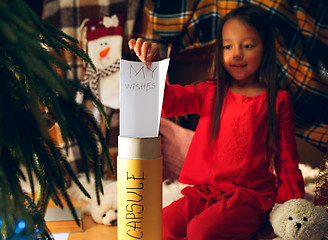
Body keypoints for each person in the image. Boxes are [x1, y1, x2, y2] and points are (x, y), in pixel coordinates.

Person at [128, 5, 304, 240]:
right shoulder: (211, 91)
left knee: (201, 233)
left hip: (250, 195)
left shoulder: (276, 100)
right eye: (228, 46)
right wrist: (154, 65)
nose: (236, 54)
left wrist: (288, 208)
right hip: (206, 191)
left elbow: (287, 160)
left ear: (266, 50)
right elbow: (169, 103)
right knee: (160, 225)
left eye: (248, 45)